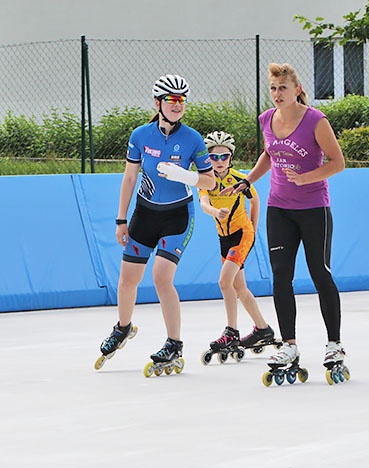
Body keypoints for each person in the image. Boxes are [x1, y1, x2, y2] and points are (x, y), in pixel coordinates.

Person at [224, 62, 347, 377]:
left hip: (313, 207)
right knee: (281, 277)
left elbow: (338, 162)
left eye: (283, 88)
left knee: (320, 273)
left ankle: (334, 344)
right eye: (273, 89)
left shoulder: (316, 121)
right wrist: (248, 180)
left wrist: (306, 178)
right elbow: (269, 153)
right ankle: (289, 344)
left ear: (298, 90)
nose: (277, 94)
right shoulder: (266, 119)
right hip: (279, 208)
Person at [96, 74, 215, 371]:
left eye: (181, 100)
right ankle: (123, 327)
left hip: (177, 215)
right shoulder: (140, 136)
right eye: (171, 100)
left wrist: (186, 176)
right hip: (145, 213)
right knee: (127, 280)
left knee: (162, 278)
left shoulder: (192, 138)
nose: (177, 105)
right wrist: (121, 219)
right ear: (158, 103)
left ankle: (174, 343)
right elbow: (129, 177)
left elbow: (211, 182)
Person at [197, 130, 275, 358]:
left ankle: (231, 331)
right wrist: (214, 211)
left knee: (224, 281)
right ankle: (263, 328)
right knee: (239, 288)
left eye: (224, 157)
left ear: (231, 158)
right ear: (207, 158)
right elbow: (203, 203)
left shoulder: (240, 179)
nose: (219, 162)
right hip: (224, 238)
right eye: (214, 157)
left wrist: (253, 225)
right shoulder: (207, 181)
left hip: (242, 234)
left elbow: (255, 198)